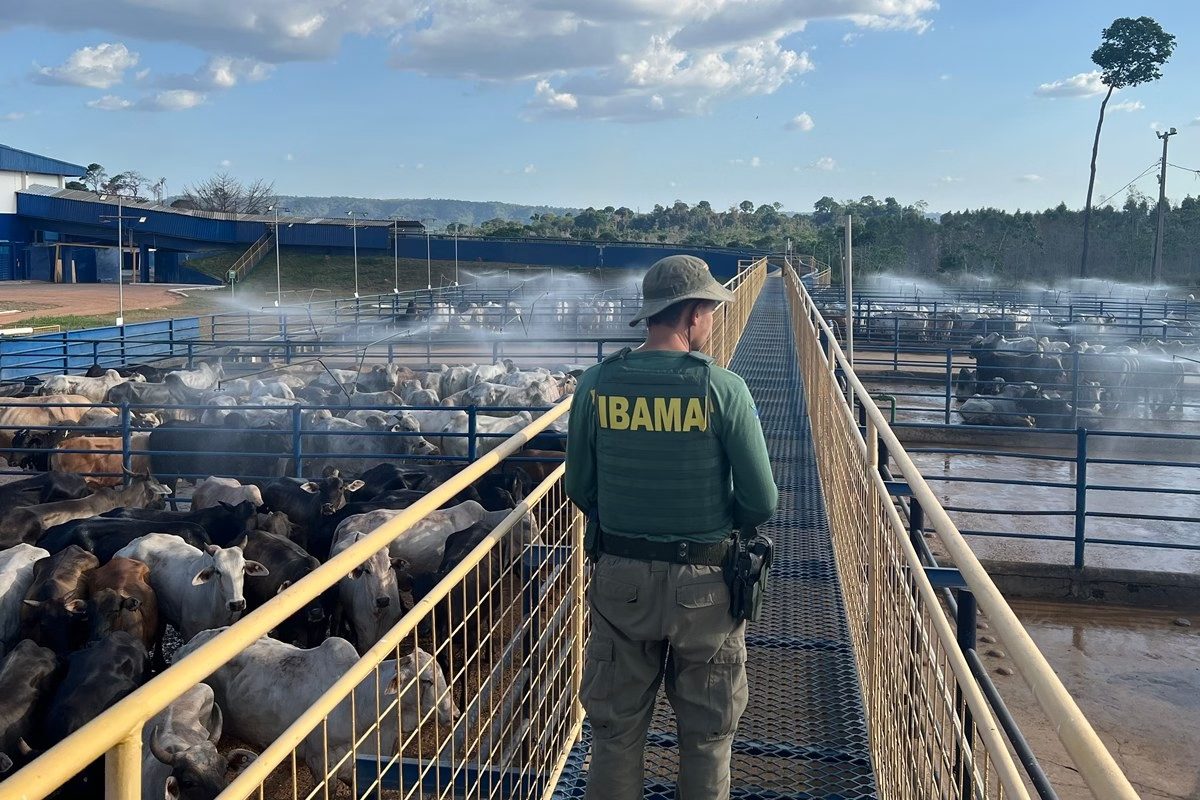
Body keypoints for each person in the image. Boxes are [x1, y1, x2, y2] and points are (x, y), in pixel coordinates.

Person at [565, 254, 778, 800]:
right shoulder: (723, 388)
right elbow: (761, 500)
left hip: (620, 581)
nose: (713, 320)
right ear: (693, 313)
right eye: (710, 310)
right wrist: (718, 524)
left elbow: (580, 488)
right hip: (706, 588)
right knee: (707, 738)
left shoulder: (596, 384)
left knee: (614, 734)